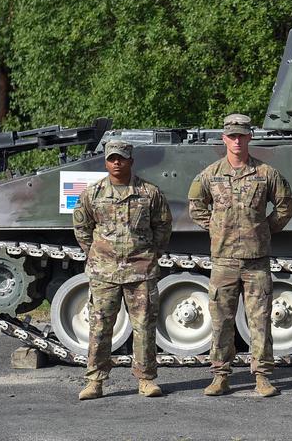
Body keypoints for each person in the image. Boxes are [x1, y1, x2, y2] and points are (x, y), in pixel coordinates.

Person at [188, 113, 292, 397]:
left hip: (256, 260)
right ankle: (220, 375)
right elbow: (196, 205)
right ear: (224, 138)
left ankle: (261, 375)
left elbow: (285, 206)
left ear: (249, 138)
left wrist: (263, 230)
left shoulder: (266, 174)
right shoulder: (210, 175)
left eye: (242, 135)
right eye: (232, 135)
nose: (237, 140)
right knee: (221, 319)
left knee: (260, 319)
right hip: (223, 260)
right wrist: (215, 227)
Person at [73, 139, 172, 400]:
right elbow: (82, 230)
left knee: (144, 327)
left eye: (122, 158)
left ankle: (146, 379)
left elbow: (163, 227)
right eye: (112, 158)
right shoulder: (92, 194)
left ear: (131, 160)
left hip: (141, 271)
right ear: (105, 161)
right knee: (100, 326)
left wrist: (150, 254)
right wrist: (97, 254)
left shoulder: (149, 193)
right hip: (104, 272)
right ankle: (95, 380)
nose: (117, 162)